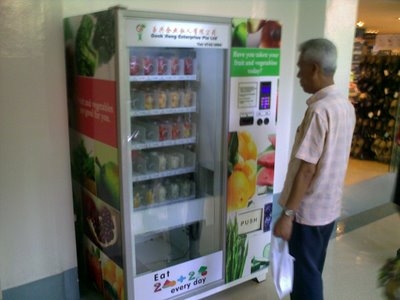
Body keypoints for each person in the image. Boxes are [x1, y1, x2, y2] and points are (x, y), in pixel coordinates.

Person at [273, 38, 356, 300]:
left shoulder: (319, 111)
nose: (298, 75)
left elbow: (307, 170)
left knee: (305, 279)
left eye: (300, 68)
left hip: (307, 214)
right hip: (329, 209)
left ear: (315, 68)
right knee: (312, 270)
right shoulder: (345, 106)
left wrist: (287, 214)